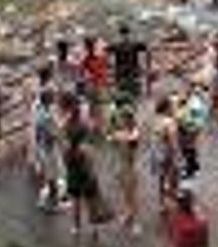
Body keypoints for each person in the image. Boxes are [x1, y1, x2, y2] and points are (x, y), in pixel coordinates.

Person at [63, 101, 105, 237]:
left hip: (73, 174)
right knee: (90, 201)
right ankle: (94, 227)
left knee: (76, 201)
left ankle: (76, 227)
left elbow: (66, 162)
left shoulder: (67, 150)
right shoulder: (85, 149)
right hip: (86, 175)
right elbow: (90, 164)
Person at [110, 107, 142, 234]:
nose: (120, 121)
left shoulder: (133, 134)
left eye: (122, 119)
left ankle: (136, 222)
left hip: (130, 168)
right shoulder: (122, 133)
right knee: (126, 195)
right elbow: (111, 139)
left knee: (132, 197)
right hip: (122, 167)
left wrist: (117, 137)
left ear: (128, 120)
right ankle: (128, 214)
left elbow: (131, 140)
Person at [32, 89, 62, 211]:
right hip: (48, 147)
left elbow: (38, 131)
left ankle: (47, 199)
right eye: (52, 97)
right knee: (52, 175)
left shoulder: (40, 112)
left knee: (48, 173)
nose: (54, 99)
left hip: (42, 145)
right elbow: (51, 133)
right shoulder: (47, 116)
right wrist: (59, 135)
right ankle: (53, 203)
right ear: (49, 100)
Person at [152, 96, 180, 211]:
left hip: (157, 154)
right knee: (174, 178)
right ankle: (173, 202)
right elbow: (173, 142)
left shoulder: (156, 119)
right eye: (172, 106)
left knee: (161, 178)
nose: (174, 108)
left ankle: (162, 203)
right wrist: (177, 156)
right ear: (167, 108)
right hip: (167, 154)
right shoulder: (169, 122)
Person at [108, 24, 148, 104]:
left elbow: (106, 50)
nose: (125, 37)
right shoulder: (132, 44)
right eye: (124, 34)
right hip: (128, 74)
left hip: (124, 74)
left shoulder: (118, 45)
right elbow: (145, 47)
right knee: (129, 95)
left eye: (124, 34)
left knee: (124, 95)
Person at [177, 84, 208, 180]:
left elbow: (193, 117)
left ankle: (191, 168)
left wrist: (187, 125)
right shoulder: (198, 101)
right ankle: (193, 165)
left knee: (188, 147)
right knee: (190, 146)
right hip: (191, 127)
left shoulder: (195, 103)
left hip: (190, 127)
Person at [80, 36, 111, 133]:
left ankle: (96, 129)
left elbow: (82, 72)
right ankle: (100, 129)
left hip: (93, 85)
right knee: (100, 108)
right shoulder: (101, 56)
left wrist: (88, 77)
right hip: (100, 85)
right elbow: (107, 69)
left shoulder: (87, 58)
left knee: (94, 108)